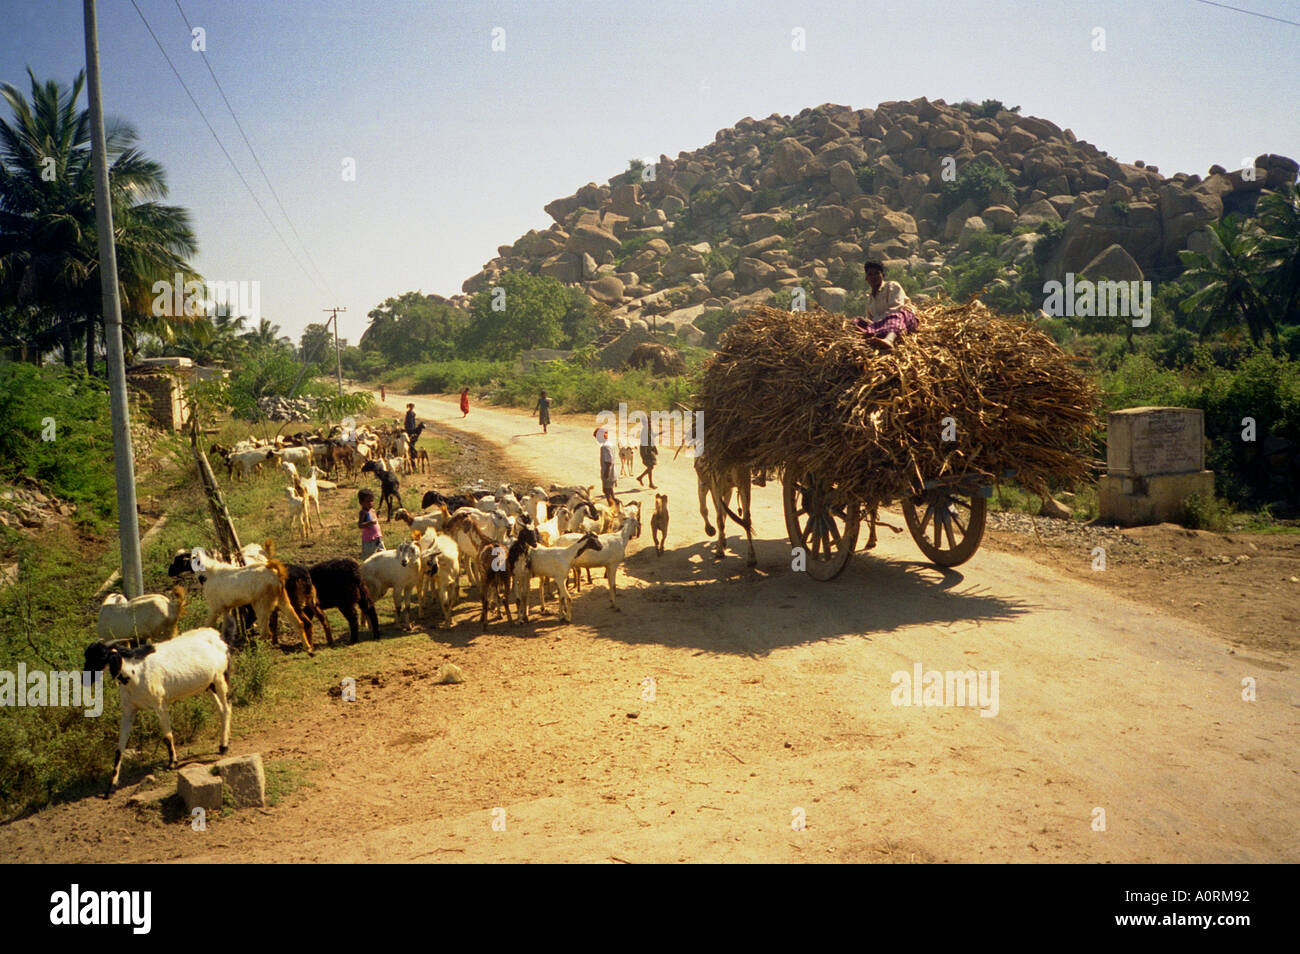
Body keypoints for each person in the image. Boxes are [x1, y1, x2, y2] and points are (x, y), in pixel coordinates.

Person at [853, 260, 919, 351]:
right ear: (866, 278)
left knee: (897, 315)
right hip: (881, 323)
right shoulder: (870, 299)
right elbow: (870, 318)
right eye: (870, 274)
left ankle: (889, 340)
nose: (873, 277)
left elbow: (896, 307)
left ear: (882, 275)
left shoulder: (892, 286)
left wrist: (877, 321)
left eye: (876, 273)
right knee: (857, 321)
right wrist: (870, 323)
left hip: (903, 319)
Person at [358, 489, 384, 559]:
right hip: (369, 541)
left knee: (382, 555)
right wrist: (370, 523)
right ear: (361, 502)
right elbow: (360, 525)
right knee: (370, 558)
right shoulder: (363, 512)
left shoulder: (372, 510)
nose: (370, 503)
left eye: (372, 501)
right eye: (368, 501)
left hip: (378, 538)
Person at [595, 426, 616, 506]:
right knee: (610, 490)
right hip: (612, 472)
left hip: (608, 472)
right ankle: (614, 504)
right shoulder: (610, 444)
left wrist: (606, 473)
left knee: (606, 491)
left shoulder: (605, 447)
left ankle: (612, 506)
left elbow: (608, 461)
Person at [635, 419, 658, 489]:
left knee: (650, 467)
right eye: (648, 422)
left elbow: (652, 439)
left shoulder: (650, 430)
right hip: (646, 451)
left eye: (650, 422)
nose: (649, 423)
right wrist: (644, 454)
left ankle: (650, 483)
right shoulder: (644, 431)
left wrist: (654, 448)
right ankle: (641, 477)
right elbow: (644, 443)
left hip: (650, 450)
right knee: (650, 467)